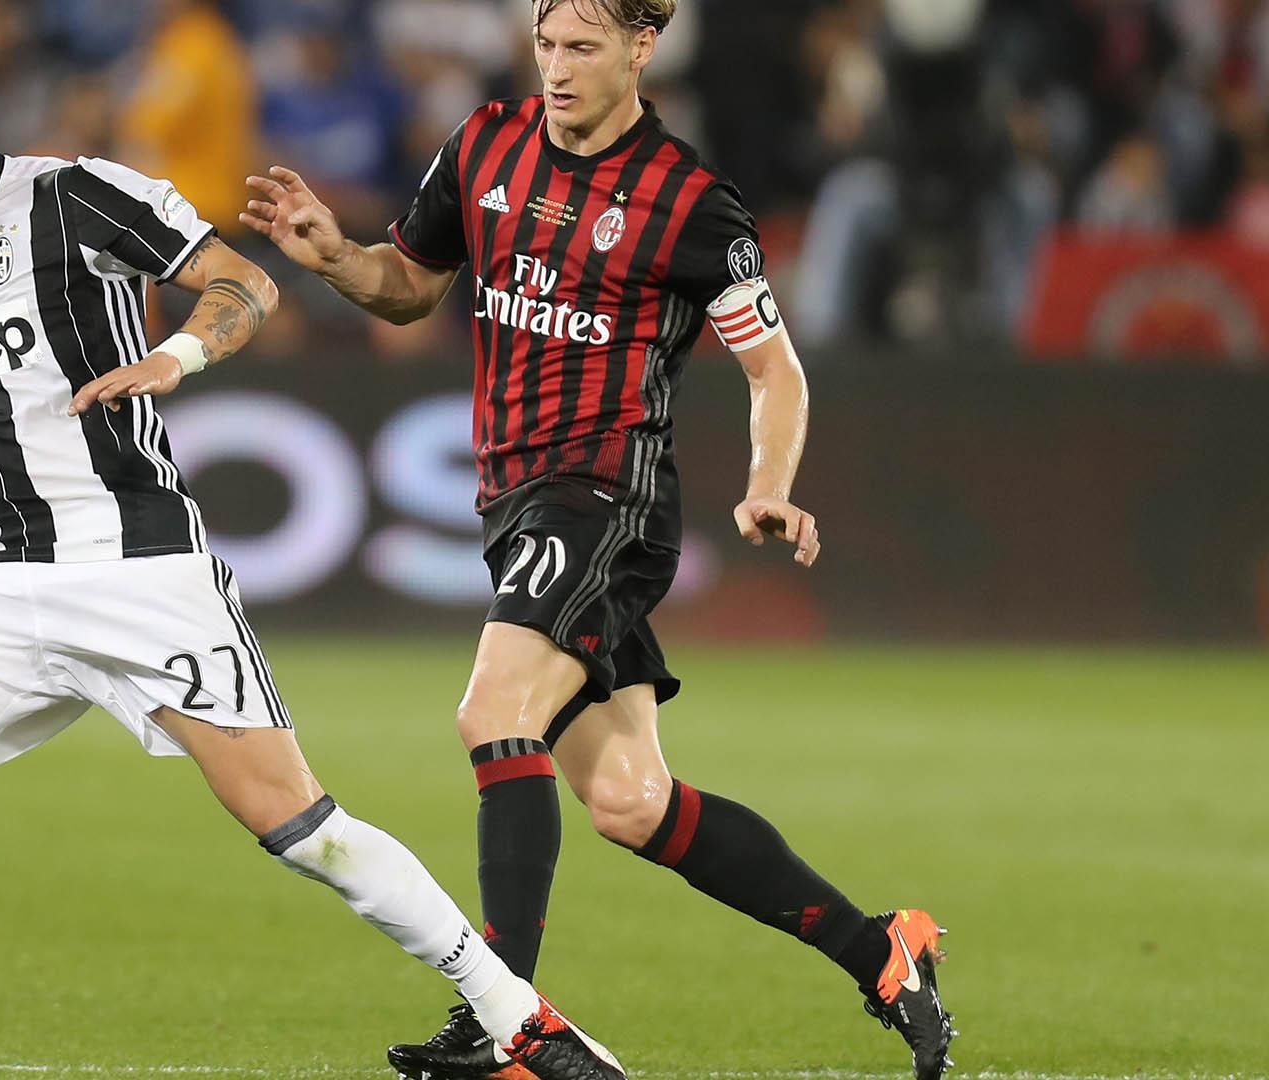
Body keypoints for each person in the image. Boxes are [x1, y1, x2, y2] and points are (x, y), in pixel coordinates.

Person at [0, 27, 625, 1080]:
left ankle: (524, 1022)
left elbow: (245, 285)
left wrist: (179, 354)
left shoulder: (79, 196)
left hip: (135, 566)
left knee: (301, 828)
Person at [241, 2, 957, 1078]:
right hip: (512, 501)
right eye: (546, 45)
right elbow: (411, 284)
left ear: (641, 48)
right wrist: (337, 256)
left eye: (582, 48)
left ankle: (503, 1019)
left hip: (606, 503)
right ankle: (884, 953)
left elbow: (775, 368)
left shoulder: (688, 202)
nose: (559, 68)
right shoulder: (485, 144)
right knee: (631, 803)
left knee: (493, 711)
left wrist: (769, 484)